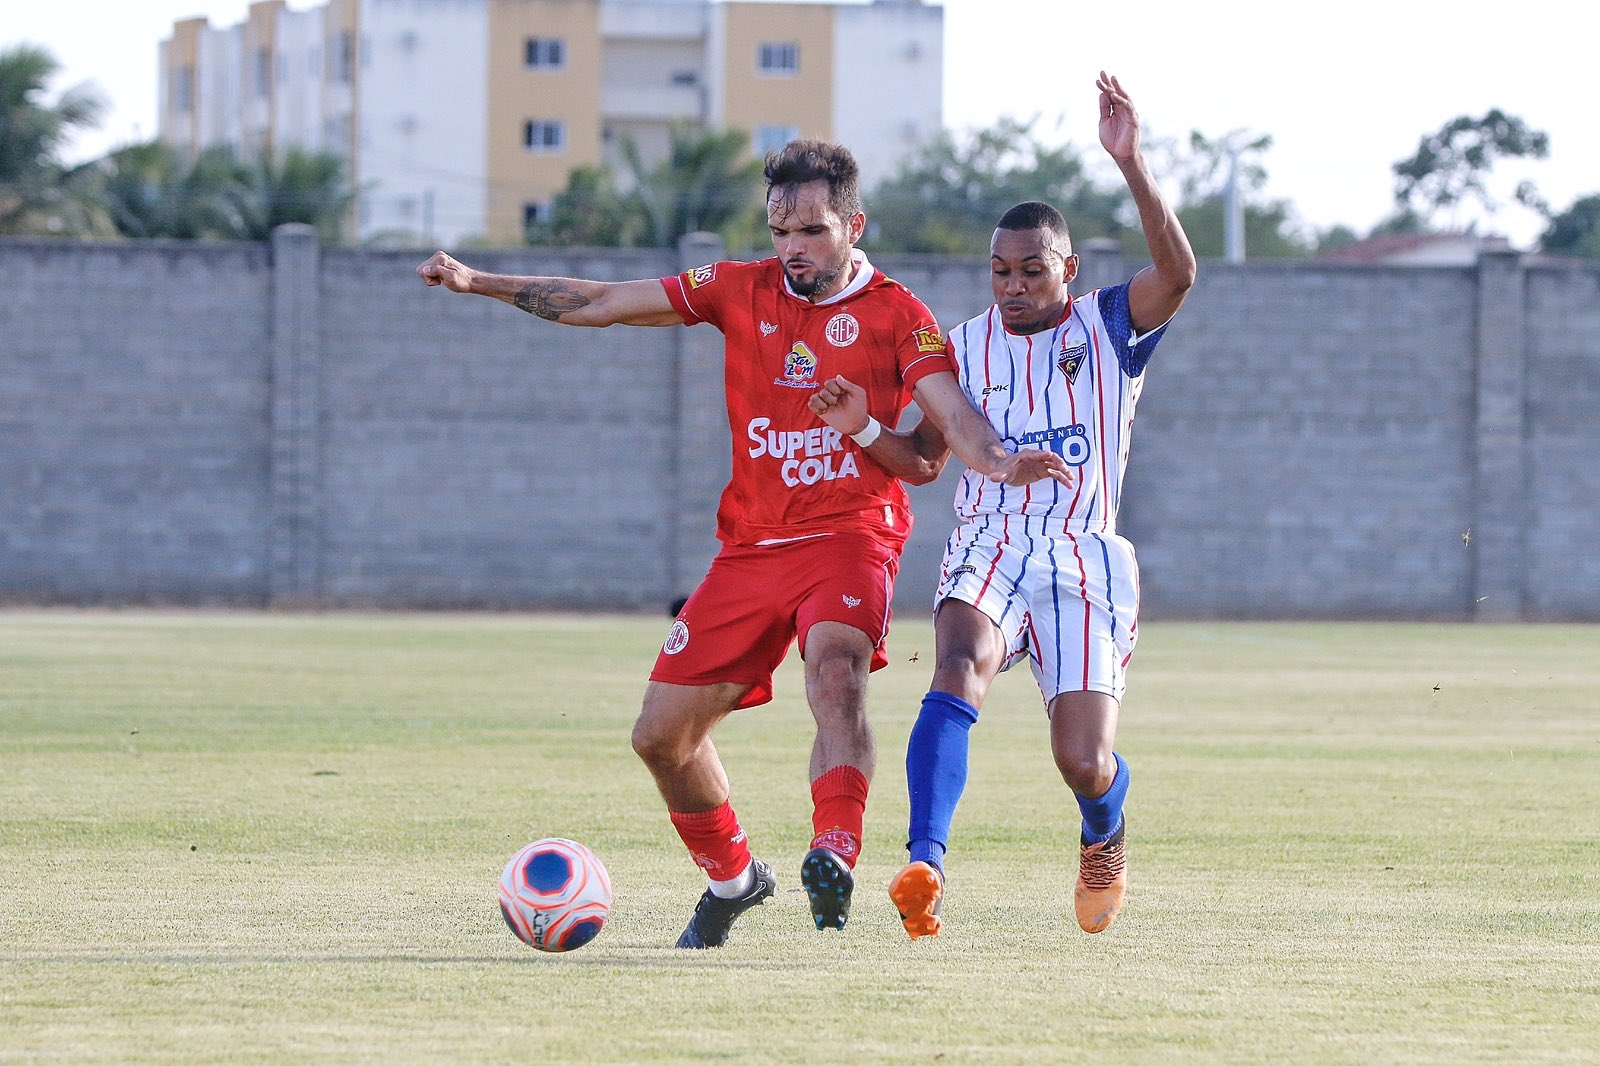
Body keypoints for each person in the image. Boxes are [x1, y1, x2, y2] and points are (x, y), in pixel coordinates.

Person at [417, 140, 1069, 948]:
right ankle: (733, 881)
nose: (792, 247)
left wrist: (1002, 463)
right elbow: (601, 302)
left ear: (854, 226)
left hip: (850, 537)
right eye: (780, 230)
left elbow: (952, 422)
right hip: (750, 548)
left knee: (836, 673)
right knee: (661, 738)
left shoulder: (900, 316)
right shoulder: (736, 288)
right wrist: (480, 281)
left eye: (812, 231)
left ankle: (834, 847)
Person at [808, 72, 1197, 939]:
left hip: (1084, 555)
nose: (1012, 285)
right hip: (989, 542)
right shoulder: (963, 346)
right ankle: (924, 865)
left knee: (1083, 759)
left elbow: (1178, 270)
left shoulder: (1108, 327)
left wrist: (1131, 164)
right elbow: (919, 460)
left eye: (1031, 270)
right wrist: (861, 423)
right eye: (999, 271)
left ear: (1069, 269)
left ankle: (1105, 829)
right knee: (956, 668)